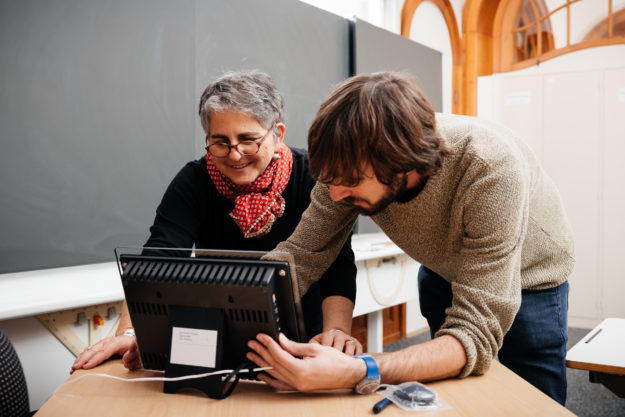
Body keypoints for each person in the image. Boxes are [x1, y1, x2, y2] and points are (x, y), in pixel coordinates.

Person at [247, 71, 574, 405]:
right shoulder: (346, 163)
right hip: (443, 269)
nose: (334, 194)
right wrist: (235, 305)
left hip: (531, 277)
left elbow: (472, 336)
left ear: (401, 162)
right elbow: (301, 254)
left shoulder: (489, 168)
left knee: (534, 399)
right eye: (329, 179)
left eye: (349, 180)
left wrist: (357, 370)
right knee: (454, 393)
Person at [71, 70, 361, 374]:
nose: (235, 155)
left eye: (248, 140)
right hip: (214, 338)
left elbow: (336, 260)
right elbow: (158, 258)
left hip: (301, 340)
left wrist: (336, 333)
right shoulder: (194, 181)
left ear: (278, 134)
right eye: (220, 142)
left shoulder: (311, 177)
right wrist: (130, 334)